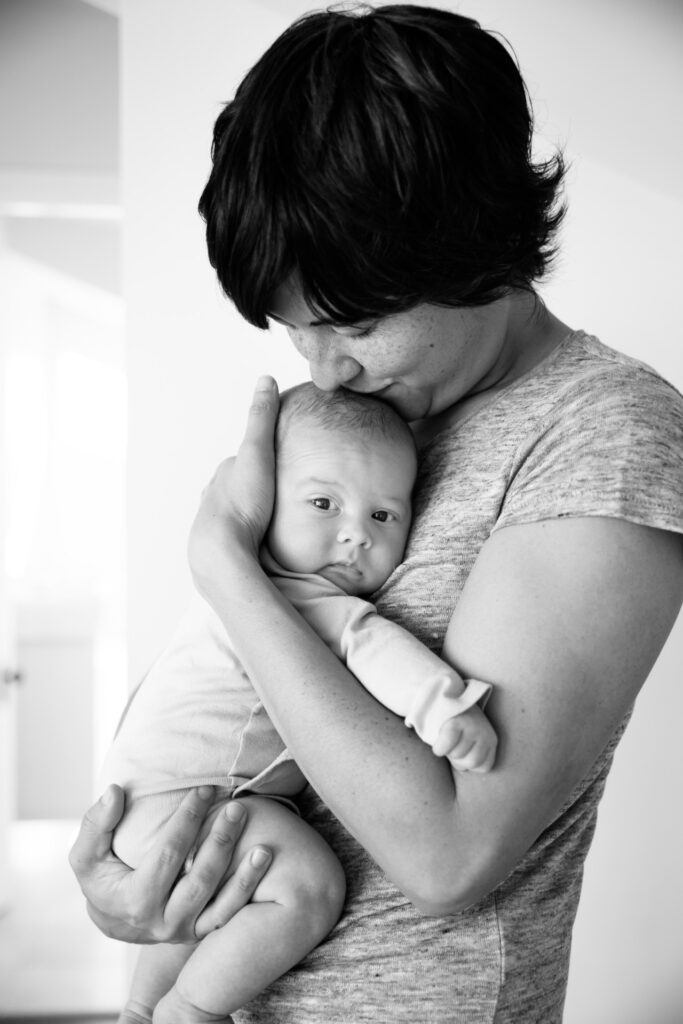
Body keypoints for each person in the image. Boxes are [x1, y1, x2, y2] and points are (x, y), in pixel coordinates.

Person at [69, 5, 683, 1022]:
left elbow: (447, 852)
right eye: (295, 330)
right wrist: (140, 869)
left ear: (475, 243)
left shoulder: (603, 434)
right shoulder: (353, 422)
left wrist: (224, 565)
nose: (324, 371)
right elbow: (223, 680)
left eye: (350, 325)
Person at [101, 381, 497, 1023]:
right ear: (261, 506)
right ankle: (191, 1009)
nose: (355, 535)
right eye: (322, 503)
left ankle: (143, 1007)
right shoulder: (294, 599)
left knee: (210, 895)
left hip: (147, 798)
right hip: (184, 799)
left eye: (383, 516)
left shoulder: (224, 594)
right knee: (309, 887)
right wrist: (444, 709)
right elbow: (373, 646)